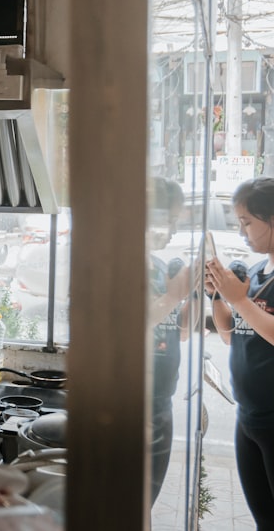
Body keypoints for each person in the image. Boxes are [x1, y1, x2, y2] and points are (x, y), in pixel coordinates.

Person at [206, 176, 274, 530]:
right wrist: (219, 294)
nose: (242, 231)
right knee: (264, 518)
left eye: (247, 222)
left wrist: (240, 299)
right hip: (249, 418)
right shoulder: (260, 272)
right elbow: (233, 336)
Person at [147, 177, 193, 506]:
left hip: (161, 400)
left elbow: (180, 332)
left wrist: (191, 299)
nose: (174, 230)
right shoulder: (119, 264)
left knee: (142, 506)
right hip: (134, 404)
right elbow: (124, 329)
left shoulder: (159, 266)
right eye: (171, 219)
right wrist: (173, 295)